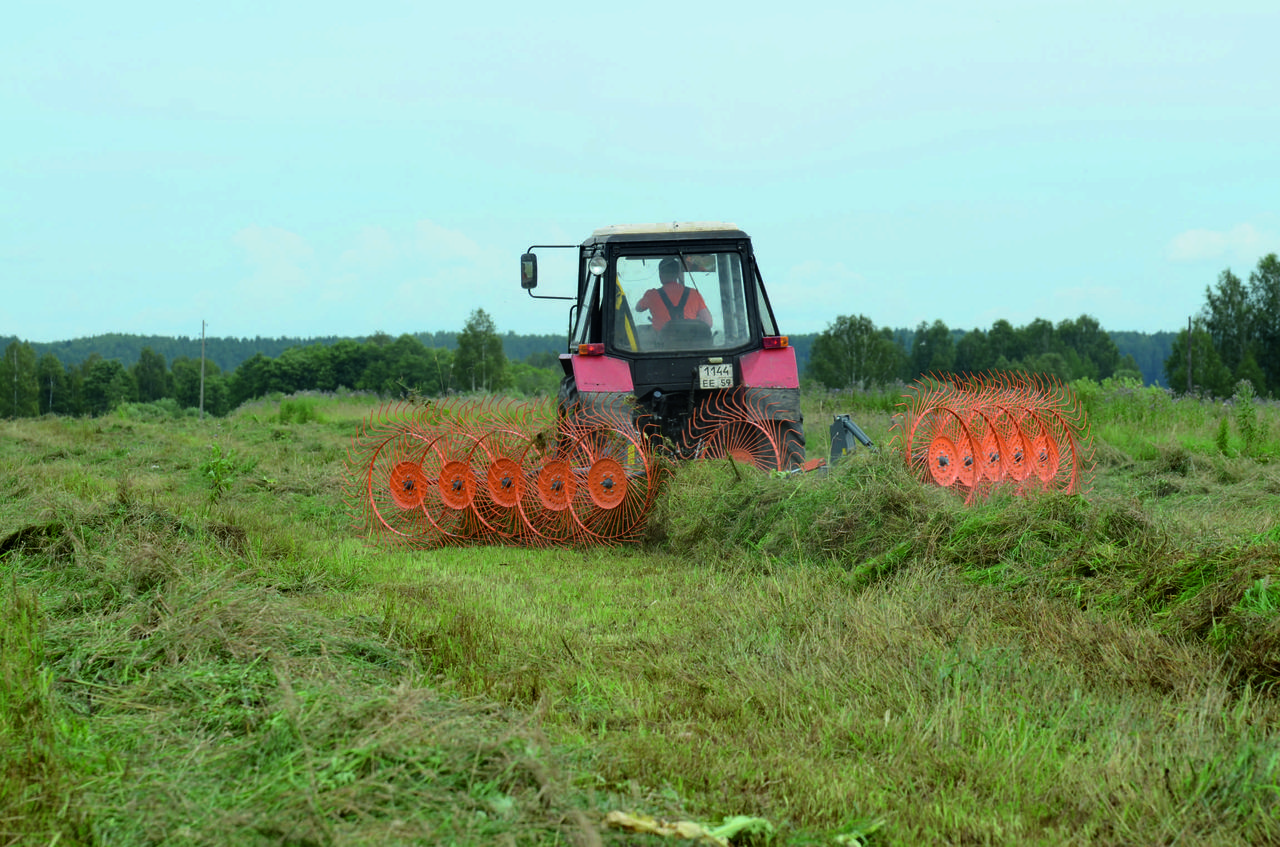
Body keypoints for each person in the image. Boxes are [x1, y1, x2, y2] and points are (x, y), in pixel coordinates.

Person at [635, 257, 713, 333]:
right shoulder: (694, 294)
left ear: (660, 275)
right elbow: (708, 323)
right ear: (677, 275)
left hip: (662, 345)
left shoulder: (651, 295)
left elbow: (638, 308)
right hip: (690, 344)